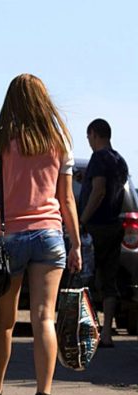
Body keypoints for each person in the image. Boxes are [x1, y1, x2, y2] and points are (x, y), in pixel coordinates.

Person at [0, 74, 82, 395]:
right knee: (44, 319)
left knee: (3, 321)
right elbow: (67, 200)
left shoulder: (0, 140)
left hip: (10, 237)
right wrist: (75, 243)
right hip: (50, 235)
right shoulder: (59, 140)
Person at [78, 118, 129, 348]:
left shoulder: (98, 158)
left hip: (96, 228)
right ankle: (106, 332)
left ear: (94, 134)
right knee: (109, 281)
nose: (88, 142)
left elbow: (98, 191)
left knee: (84, 278)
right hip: (114, 225)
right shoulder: (120, 161)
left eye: (89, 137)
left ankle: (89, 331)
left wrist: (82, 220)